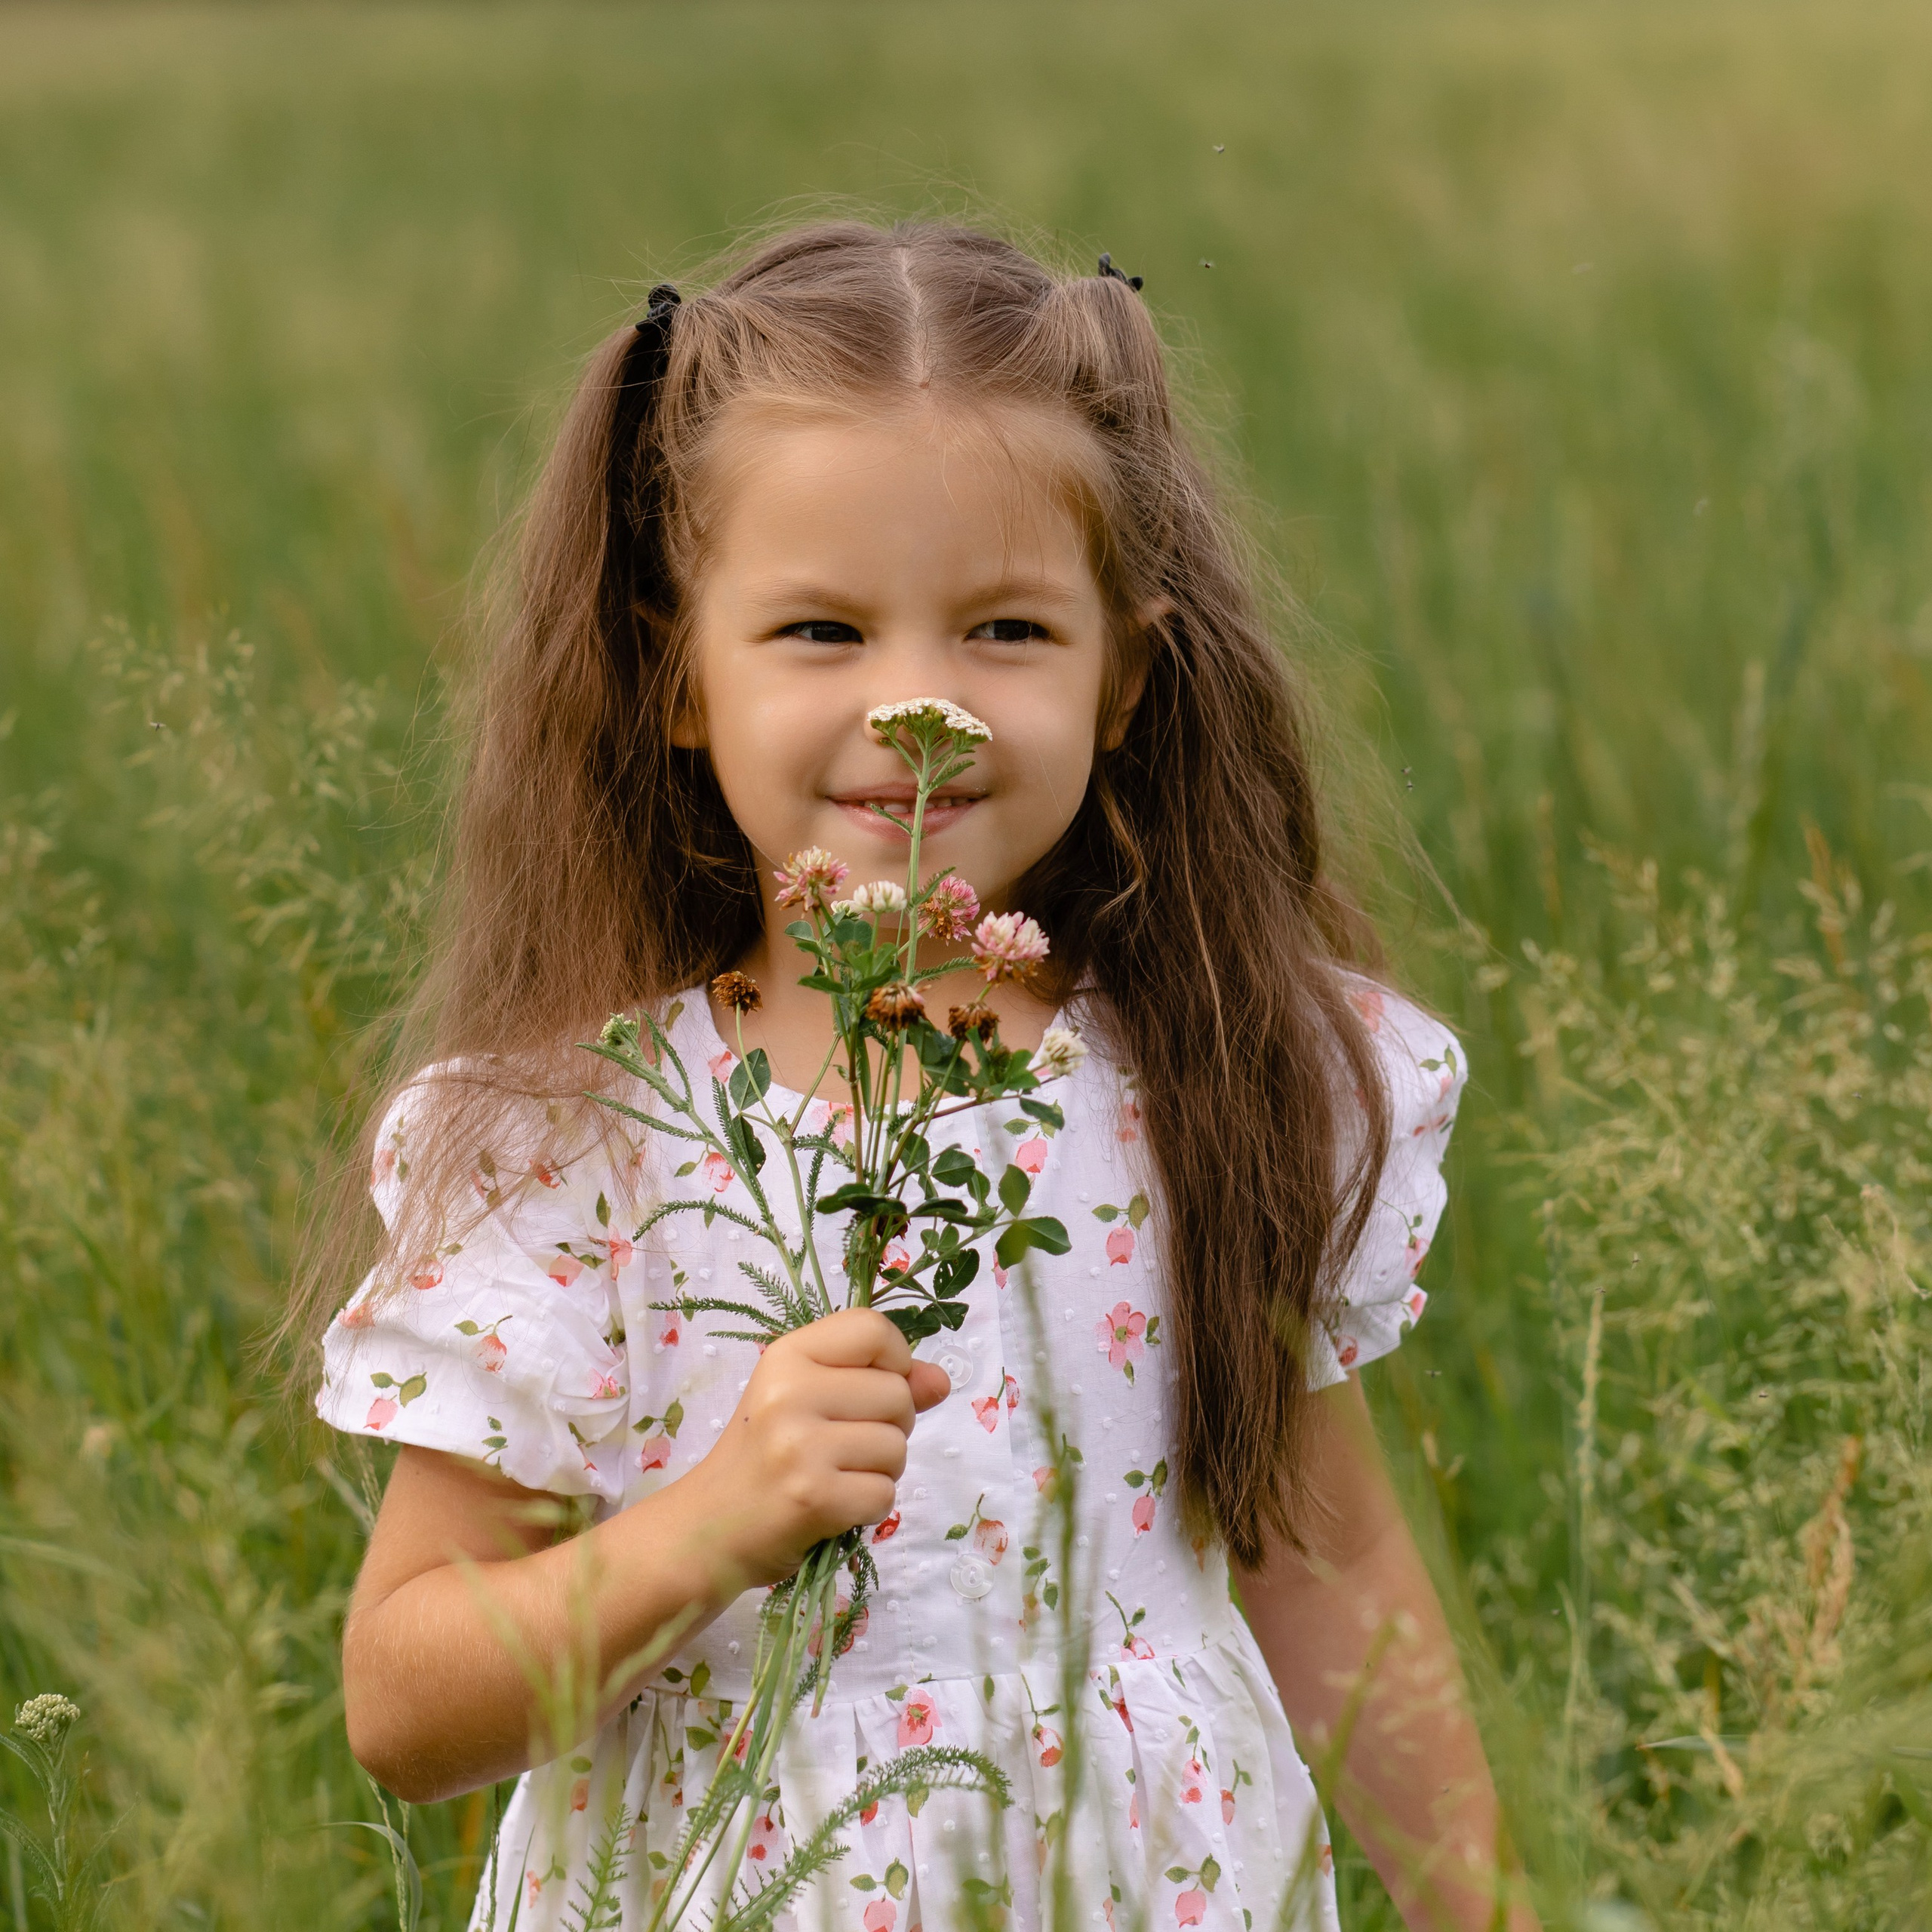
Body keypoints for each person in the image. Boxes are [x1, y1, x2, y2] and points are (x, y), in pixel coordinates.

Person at [309, 220, 1536, 1932]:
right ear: (677, 675)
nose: (914, 708)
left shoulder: (1223, 1079)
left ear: (1122, 672)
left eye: (1005, 631)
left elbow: (1323, 1564)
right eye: (817, 628)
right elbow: (404, 1701)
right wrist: (709, 1526)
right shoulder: (573, 1147)